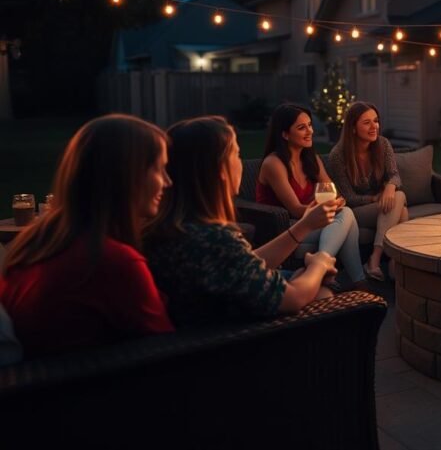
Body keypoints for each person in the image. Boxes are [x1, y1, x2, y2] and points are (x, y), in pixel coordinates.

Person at [0, 115, 174, 358]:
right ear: (128, 176)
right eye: (159, 169)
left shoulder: (35, 243)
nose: (168, 182)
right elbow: (166, 349)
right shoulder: (111, 261)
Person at [145, 116, 340, 327]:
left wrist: (304, 227)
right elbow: (292, 299)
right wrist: (319, 264)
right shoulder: (213, 239)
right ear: (221, 169)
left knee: (303, 277)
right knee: (322, 293)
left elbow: (240, 264)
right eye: (237, 154)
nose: (241, 161)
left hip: (208, 327)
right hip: (231, 341)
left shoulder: (173, 229)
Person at [257, 104, 364, 287]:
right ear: (285, 134)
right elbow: (296, 210)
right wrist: (327, 207)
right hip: (287, 229)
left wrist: (336, 202)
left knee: (346, 215)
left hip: (311, 221)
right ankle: (331, 274)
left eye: (310, 125)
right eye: (301, 127)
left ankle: (343, 277)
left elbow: (332, 190)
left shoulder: (310, 159)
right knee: (347, 216)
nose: (310, 131)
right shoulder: (274, 163)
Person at [326, 101, 408, 281]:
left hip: (383, 205)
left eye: (376, 121)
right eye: (367, 122)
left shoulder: (383, 144)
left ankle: (389, 262)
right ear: (353, 128)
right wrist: (373, 198)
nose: (374, 127)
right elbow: (348, 197)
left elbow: (394, 175)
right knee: (399, 202)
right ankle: (379, 260)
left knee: (399, 202)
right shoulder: (338, 156)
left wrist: (389, 187)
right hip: (355, 212)